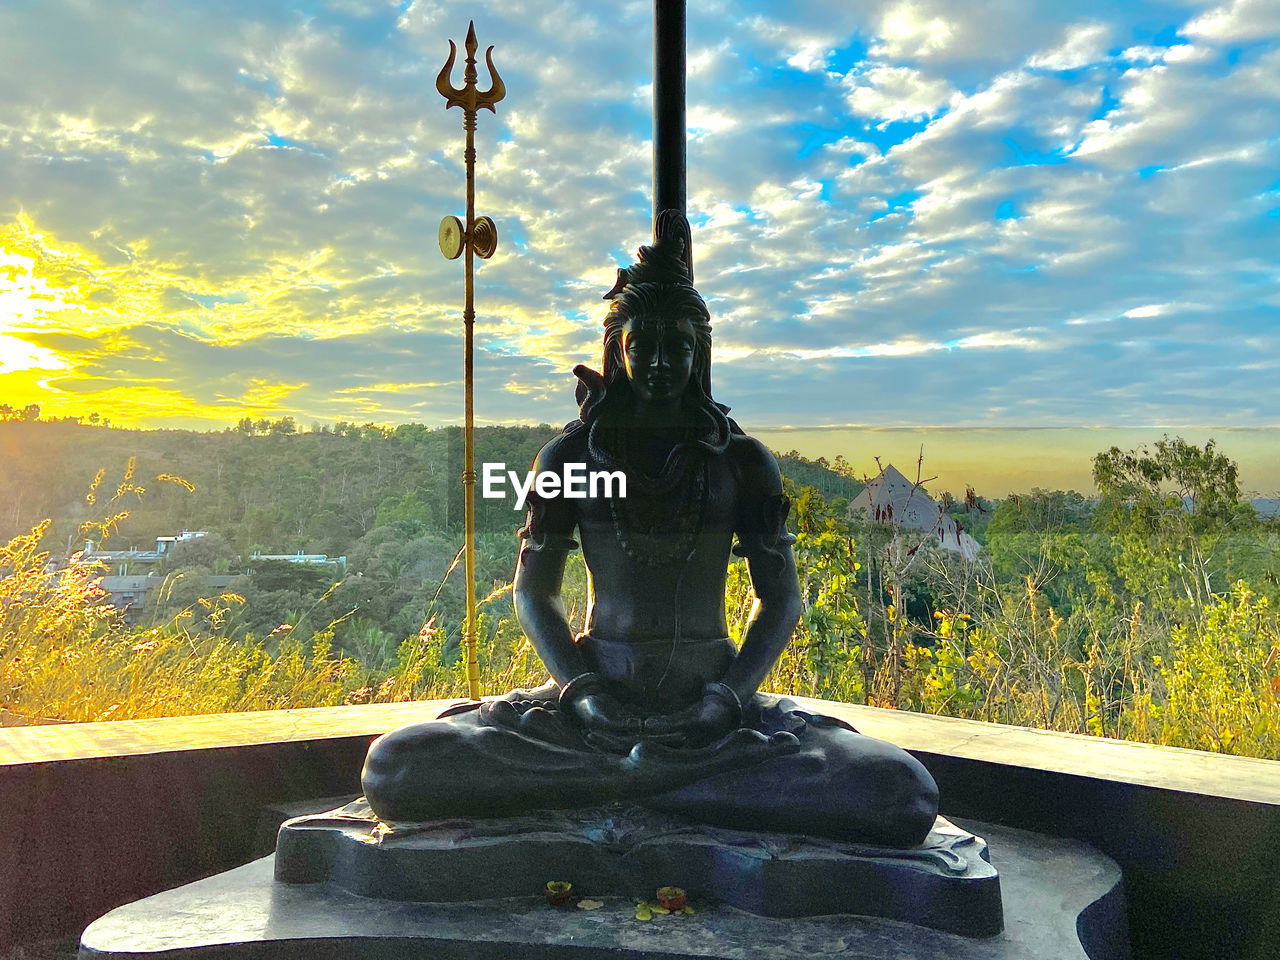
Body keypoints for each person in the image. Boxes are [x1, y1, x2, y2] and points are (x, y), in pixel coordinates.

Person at [362, 230, 939, 847]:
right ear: (619, 351)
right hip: (593, 703)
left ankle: (623, 782)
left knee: (901, 792)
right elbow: (533, 593)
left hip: (714, 710)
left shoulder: (741, 462)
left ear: (700, 357)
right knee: (395, 767)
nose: (661, 363)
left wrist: (725, 701)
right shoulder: (570, 457)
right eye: (645, 347)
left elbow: (781, 601)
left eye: (678, 348)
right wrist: (580, 692)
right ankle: (679, 788)